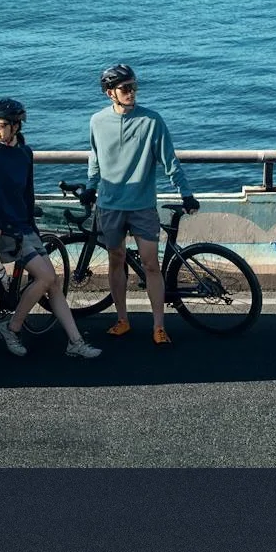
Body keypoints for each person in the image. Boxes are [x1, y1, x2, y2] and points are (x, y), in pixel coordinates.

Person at [0, 97, 101, 359]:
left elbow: (27, 193)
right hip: (4, 231)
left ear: (16, 126)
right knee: (46, 278)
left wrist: (32, 225)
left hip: (25, 228)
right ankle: (11, 327)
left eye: (2, 126)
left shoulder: (25, 153)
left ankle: (75, 341)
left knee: (52, 284)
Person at [80, 65, 197, 345]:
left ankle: (159, 326)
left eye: (134, 87)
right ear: (111, 93)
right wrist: (90, 187)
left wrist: (186, 193)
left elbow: (170, 162)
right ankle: (122, 319)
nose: (132, 93)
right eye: (125, 88)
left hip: (142, 205)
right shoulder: (97, 121)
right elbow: (95, 160)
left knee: (150, 264)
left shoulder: (152, 121)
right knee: (115, 260)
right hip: (109, 205)